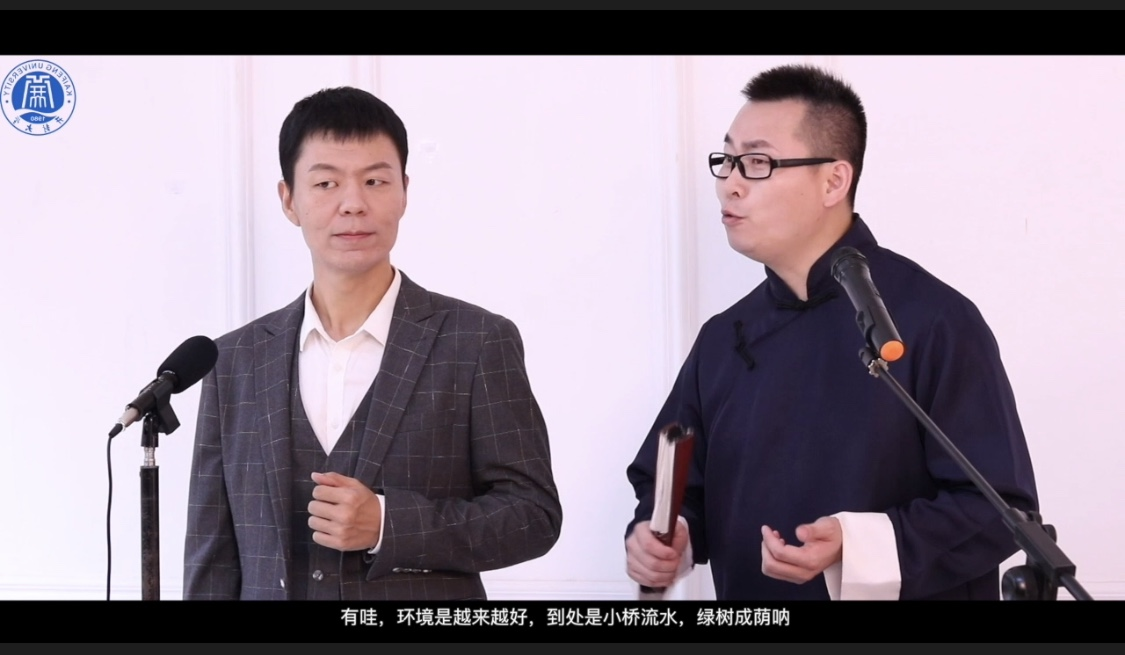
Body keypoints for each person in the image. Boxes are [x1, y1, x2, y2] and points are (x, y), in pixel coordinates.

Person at [624, 64, 1038, 600]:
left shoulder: (934, 319)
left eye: (757, 162)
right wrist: (667, 538)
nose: (730, 183)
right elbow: (672, 485)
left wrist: (855, 546)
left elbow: (998, 511)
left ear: (833, 181)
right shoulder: (724, 338)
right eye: (726, 160)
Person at [183, 86, 562, 600]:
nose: (353, 204)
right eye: (325, 183)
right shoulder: (233, 361)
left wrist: (388, 522)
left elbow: (533, 516)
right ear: (289, 200)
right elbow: (211, 560)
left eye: (375, 181)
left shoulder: (476, 342)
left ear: (404, 191)